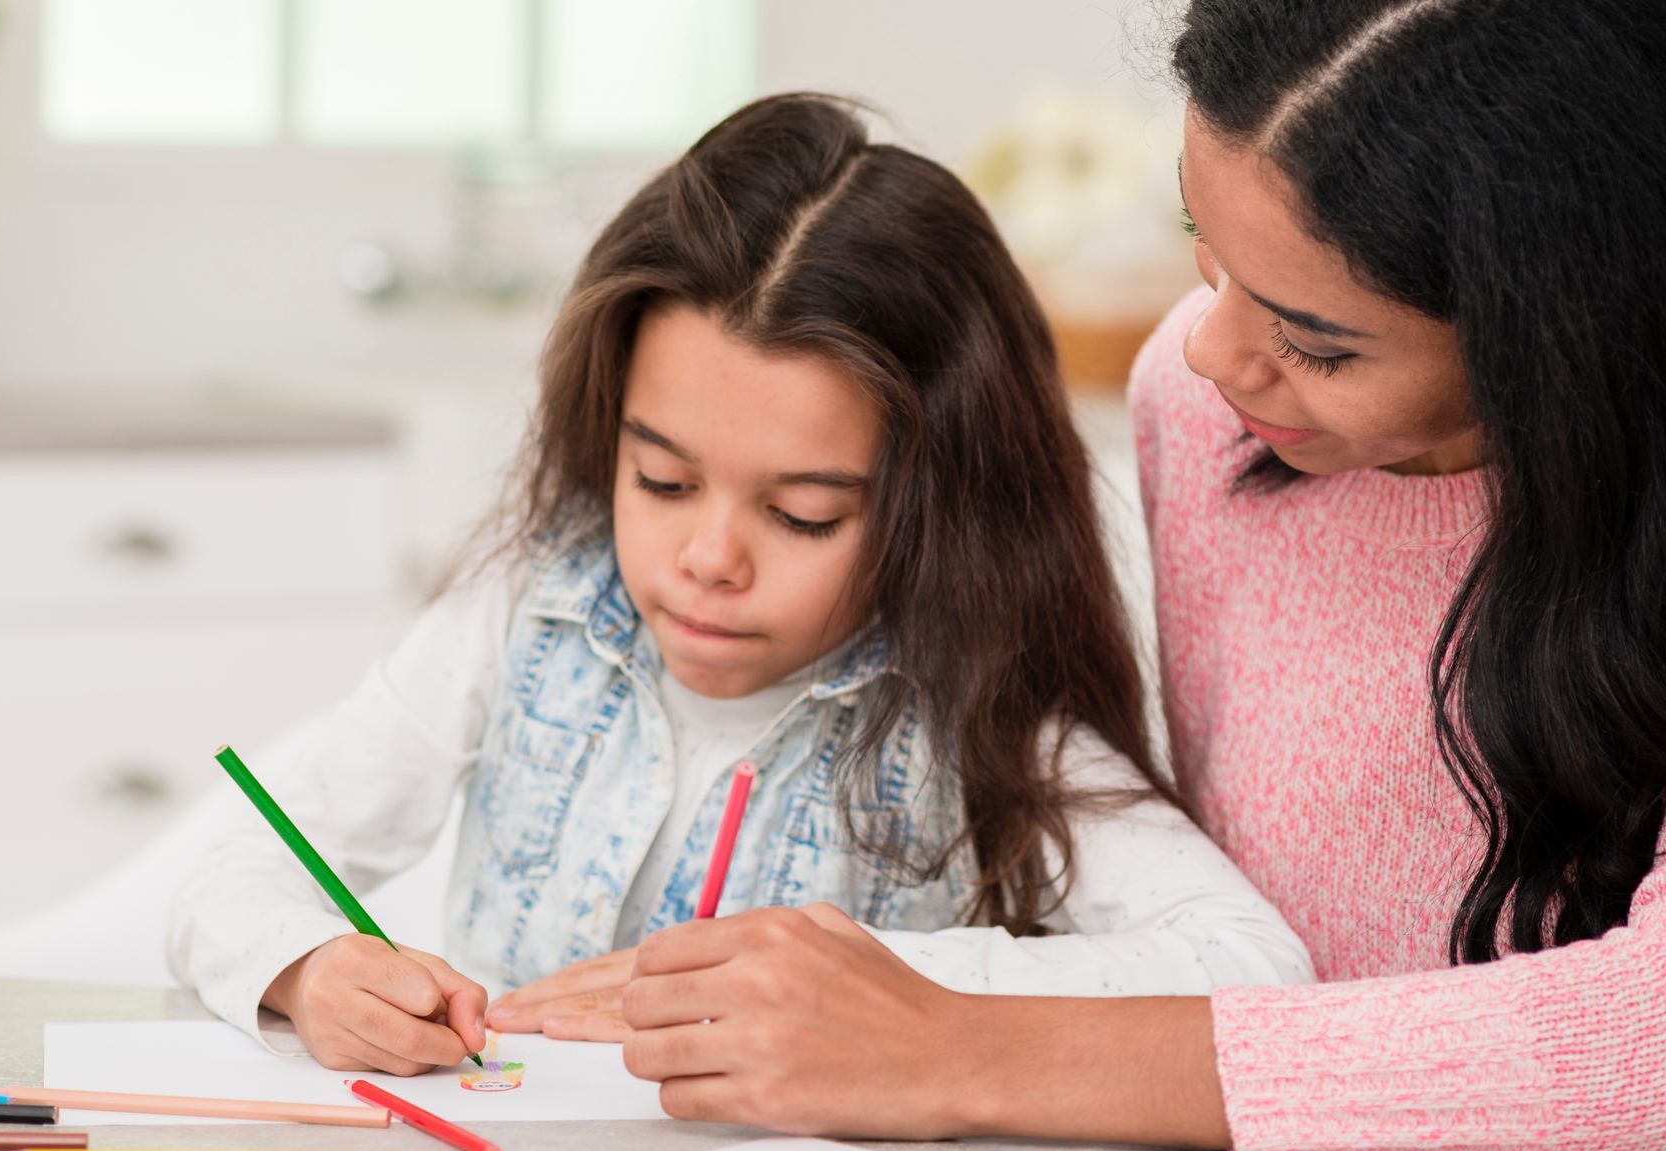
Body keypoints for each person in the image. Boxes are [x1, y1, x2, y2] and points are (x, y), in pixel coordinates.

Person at [610, 0, 1666, 1149]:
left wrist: (958, 1046)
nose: (1214, 353)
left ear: (1573, 334)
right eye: (1200, 246)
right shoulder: (1202, 400)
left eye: (1316, 341)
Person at [166, 93, 1311, 1076]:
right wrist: (306, 968)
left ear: (938, 512)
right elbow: (233, 867)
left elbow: (1252, 968)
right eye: (661, 479)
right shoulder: (525, 618)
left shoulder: (980, 715)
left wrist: (870, 985)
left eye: (802, 512)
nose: (710, 557)